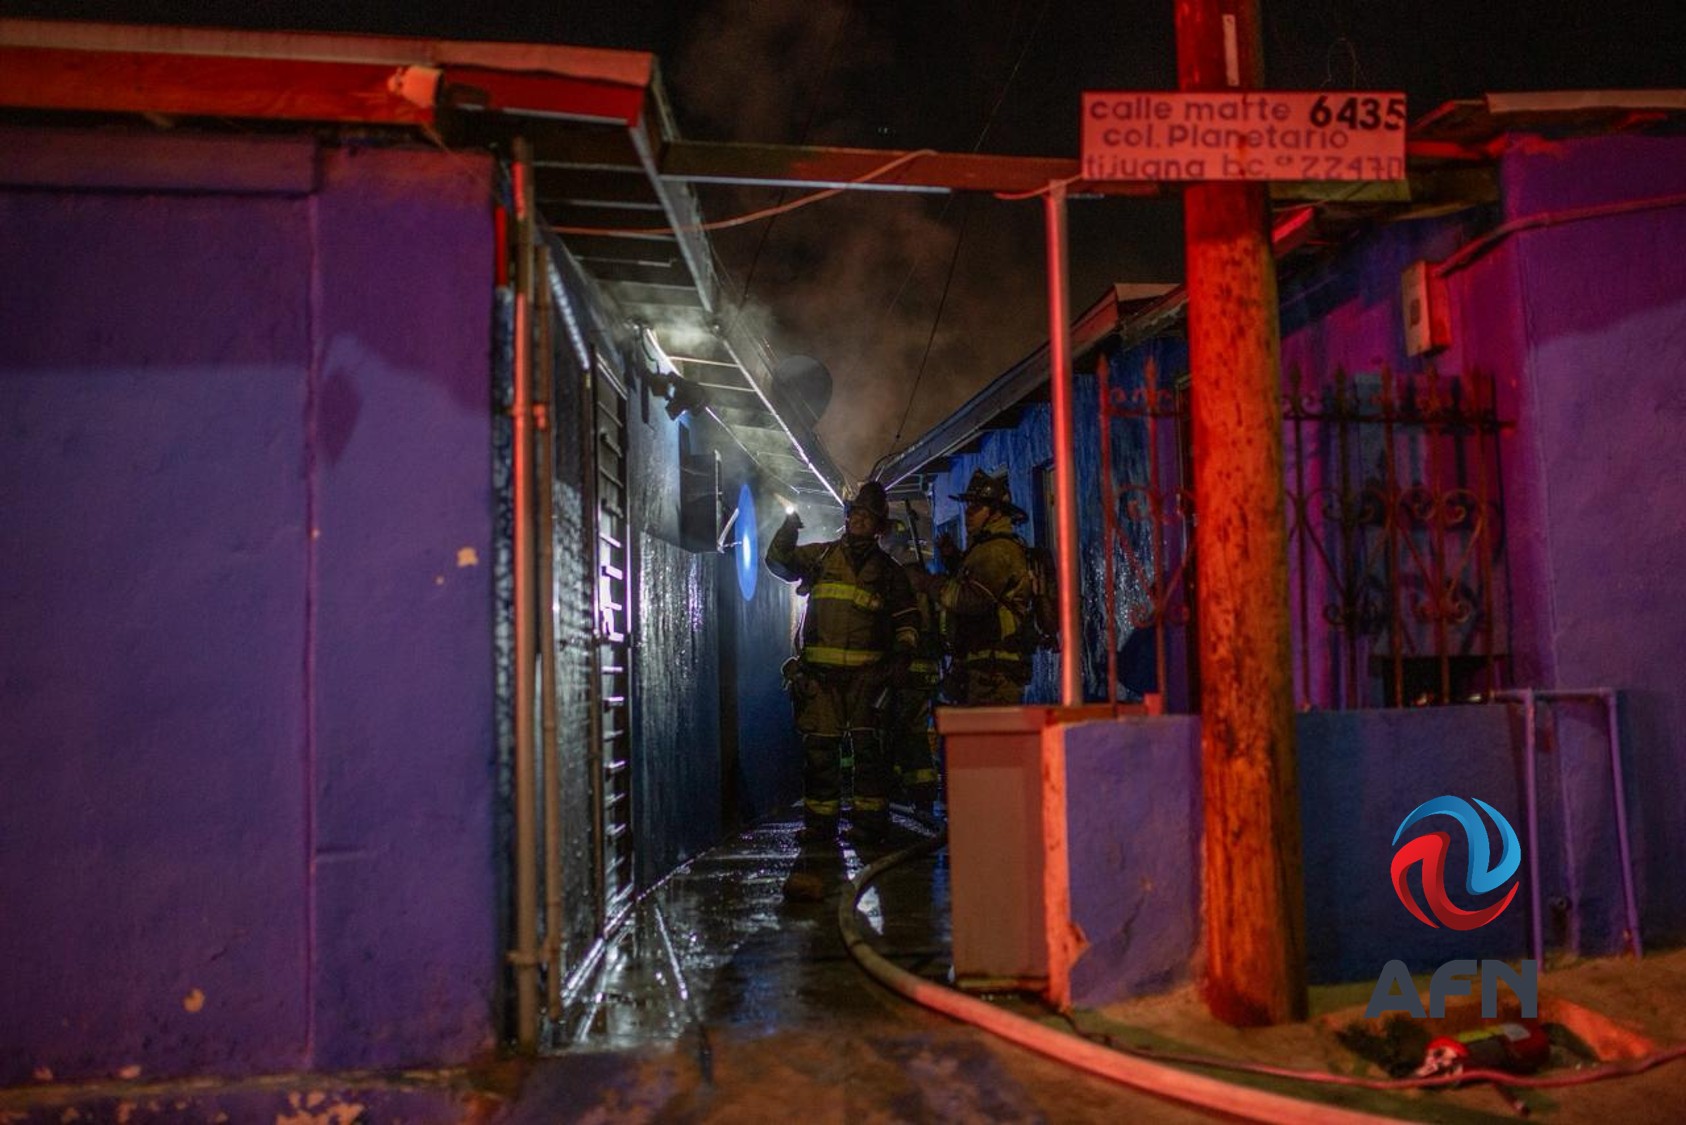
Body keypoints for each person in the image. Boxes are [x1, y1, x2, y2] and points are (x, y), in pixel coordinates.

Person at [765, 481, 919, 878]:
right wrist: (789, 528)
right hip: (821, 678)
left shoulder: (889, 574)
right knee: (820, 752)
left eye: (865, 516)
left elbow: (907, 622)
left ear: (879, 527)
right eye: (853, 514)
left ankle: (869, 825)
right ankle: (820, 827)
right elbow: (779, 563)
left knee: (869, 754)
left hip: (869, 679)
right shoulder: (821, 557)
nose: (857, 520)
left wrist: (902, 657)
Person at [922, 469, 1035, 707]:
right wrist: (954, 560)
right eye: (968, 506)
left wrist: (931, 584)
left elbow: (972, 600)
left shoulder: (997, 550)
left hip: (994, 670)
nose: (968, 513)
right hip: (982, 665)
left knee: (991, 740)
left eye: (976, 507)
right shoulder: (983, 548)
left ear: (995, 513)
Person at [880, 524, 944, 815]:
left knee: (900, 730)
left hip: (907, 666)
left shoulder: (898, 578)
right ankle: (922, 794)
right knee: (914, 731)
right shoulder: (923, 574)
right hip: (927, 667)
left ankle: (903, 793)